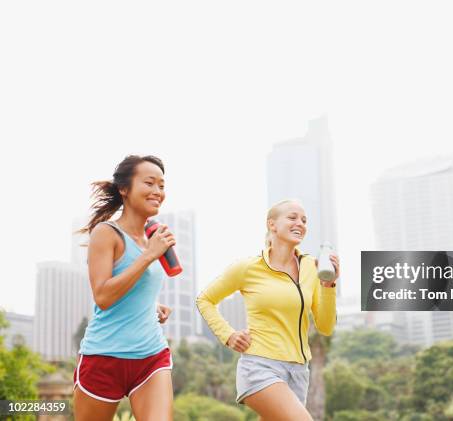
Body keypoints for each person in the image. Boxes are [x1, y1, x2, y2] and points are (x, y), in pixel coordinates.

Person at [196, 199, 340, 421]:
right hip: (260, 366)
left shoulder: (312, 267)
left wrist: (328, 286)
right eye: (292, 217)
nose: (300, 223)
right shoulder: (247, 268)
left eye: (304, 220)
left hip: (298, 373)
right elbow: (205, 300)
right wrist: (228, 335)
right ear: (272, 224)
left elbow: (325, 326)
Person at [73, 155, 176, 421]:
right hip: (104, 357)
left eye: (162, 186)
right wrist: (149, 256)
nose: (158, 192)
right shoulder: (106, 234)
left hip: (151, 356)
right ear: (124, 189)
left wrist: (151, 306)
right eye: (149, 183)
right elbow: (103, 296)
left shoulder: (153, 238)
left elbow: (134, 285)